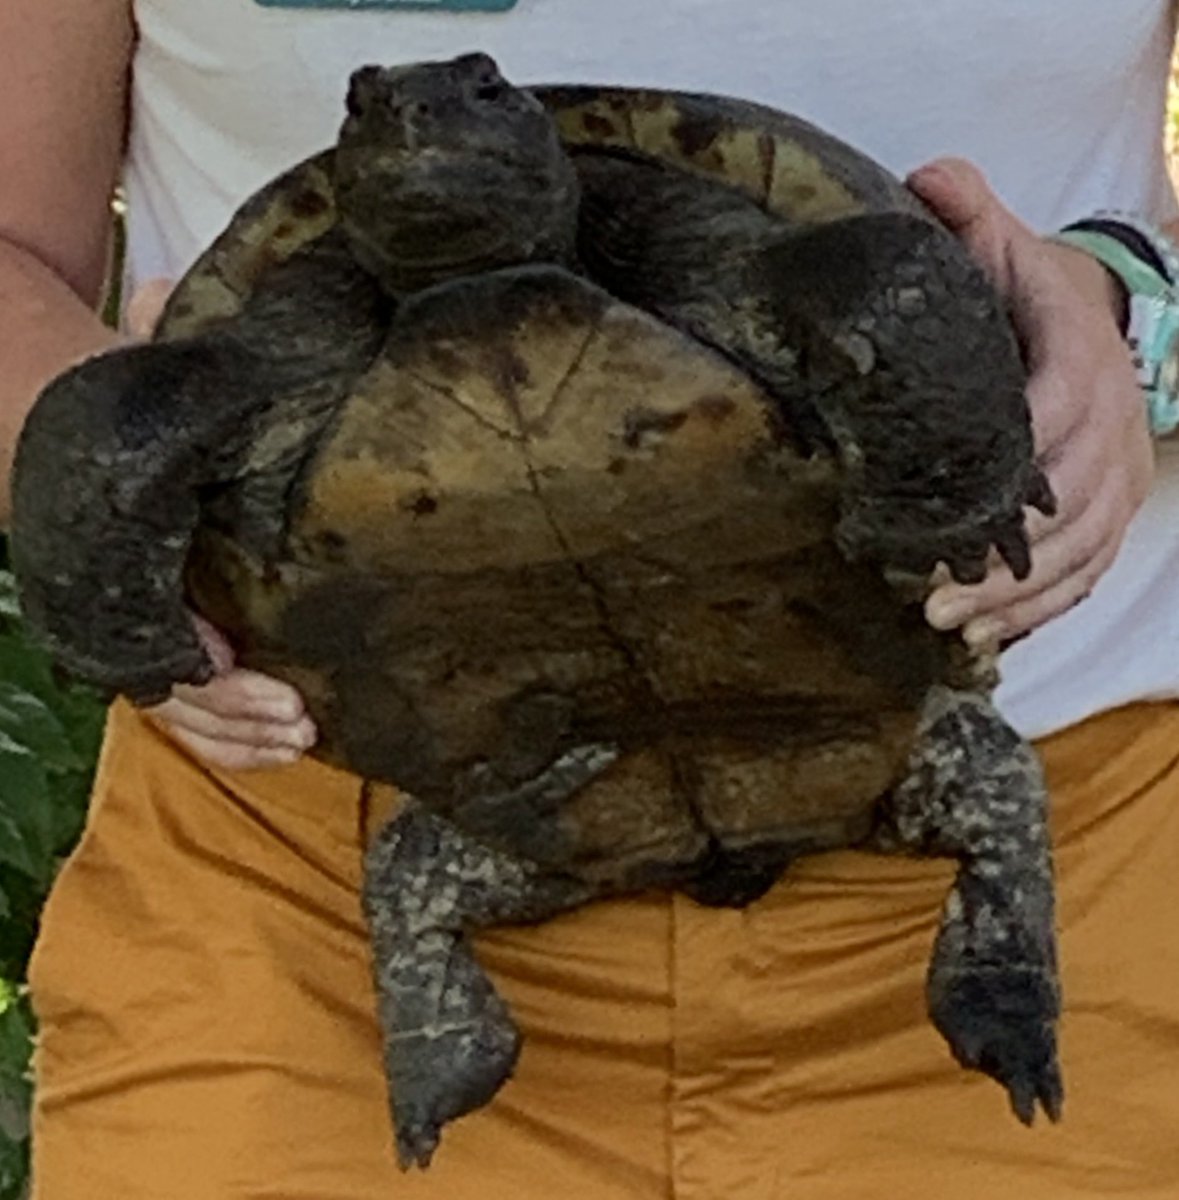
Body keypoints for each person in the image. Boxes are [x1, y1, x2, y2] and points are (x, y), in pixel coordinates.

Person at [2, 1, 1178, 1196]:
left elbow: (889, 285)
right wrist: (122, 540)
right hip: (310, 901)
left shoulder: (719, 240)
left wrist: (1129, 321)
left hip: (1050, 834)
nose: (417, 125)